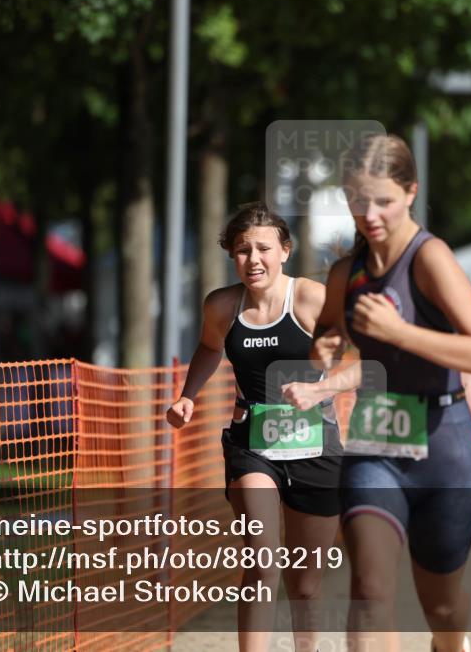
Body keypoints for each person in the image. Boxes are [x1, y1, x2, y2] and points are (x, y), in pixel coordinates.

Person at [311, 134, 471, 652]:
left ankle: (450, 643)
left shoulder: (430, 258)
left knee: (442, 607)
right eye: (357, 200)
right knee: (369, 590)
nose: (369, 214)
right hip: (376, 444)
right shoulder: (346, 273)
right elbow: (327, 335)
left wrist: (400, 333)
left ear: (411, 192)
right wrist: (324, 349)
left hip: (445, 448)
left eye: (384, 201)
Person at [166, 203, 346, 652]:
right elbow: (210, 348)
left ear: (285, 250)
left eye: (264, 248)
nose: (254, 259)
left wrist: (320, 390)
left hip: (315, 444)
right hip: (252, 443)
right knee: (262, 562)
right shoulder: (222, 305)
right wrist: (189, 395)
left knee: (305, 581)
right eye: (243, 250)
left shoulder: (311, 299)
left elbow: (362, 358)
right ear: (232, 254)